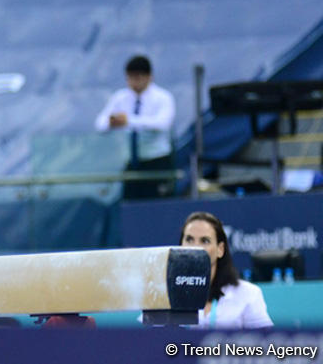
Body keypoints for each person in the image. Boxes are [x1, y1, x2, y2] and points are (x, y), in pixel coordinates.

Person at [93, 54, 175, 199]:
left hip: (157, 161)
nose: (133, 83)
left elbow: (163, 124)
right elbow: (100, 124)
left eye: (137, 78)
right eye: (130, 78)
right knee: (131, 205)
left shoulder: (163, 98)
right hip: (132, 161)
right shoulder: (121, 97)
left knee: (159, 205)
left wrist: (129, 121)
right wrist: (112, 122)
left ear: (149, 77)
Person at [178, 211, 273, 329]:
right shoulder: (166, 296)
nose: (195, 247)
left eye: (205, 241)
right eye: (189, 239)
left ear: (220, 249)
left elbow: (268, 343)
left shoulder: (248, 294)